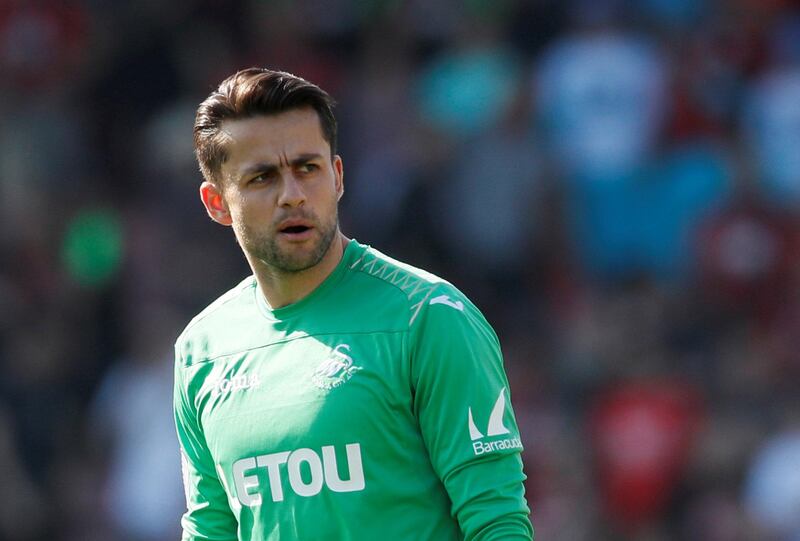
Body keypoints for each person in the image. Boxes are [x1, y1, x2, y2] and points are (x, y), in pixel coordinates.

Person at [174, 67, 534, 540]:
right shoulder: (202, 349)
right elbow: (209, 530)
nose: (293, 195)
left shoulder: (429, 317)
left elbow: (498, 523)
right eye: (262, 177)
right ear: (217, 202)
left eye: (308, 168)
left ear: (338, 176)